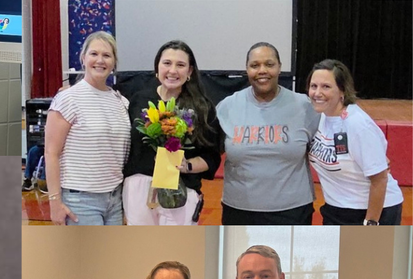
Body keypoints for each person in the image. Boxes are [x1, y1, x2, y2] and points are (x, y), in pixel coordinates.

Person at [216, 42, 319, 224]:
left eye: (269, 64)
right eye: (255, 65)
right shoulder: (227, 107)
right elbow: (208, 151)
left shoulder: (305, 106)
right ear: (246, 70)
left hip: (293, 211)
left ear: (280, 68)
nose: (262, 70)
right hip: (239, 210)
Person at [123, 40, 222, 225]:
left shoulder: (202, 108)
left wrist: (187, 166)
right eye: (167, 63)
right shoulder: (139, 100)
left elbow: (212, 157)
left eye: (181, 65)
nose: (173, 70)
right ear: (157, 67)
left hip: (181, 190)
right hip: (139, 191)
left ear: (190, 71)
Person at [44, 31, 131, 225]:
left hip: (115, 200)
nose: (100, 60)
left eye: (107, 55)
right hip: (80, 201)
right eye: (94, 54)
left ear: (114, 62)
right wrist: (54, 203)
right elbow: (51, 153)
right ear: (83, 58)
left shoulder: (121, 102)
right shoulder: (67, 99)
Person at [307, 59, 404, 225]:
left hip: (373, 211)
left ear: (342, 90)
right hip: (336, 208)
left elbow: (380, 179)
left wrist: (371, 222)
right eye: (313, 86)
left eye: (326, 87)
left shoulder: (357, 124)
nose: (317, 93)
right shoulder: (321, 115)